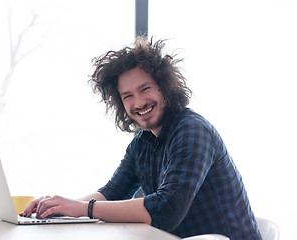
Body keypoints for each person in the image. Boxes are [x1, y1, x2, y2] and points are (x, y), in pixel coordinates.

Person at [21, 38, 262, 239]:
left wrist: (83, 209)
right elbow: (111, 193)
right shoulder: (142, 142)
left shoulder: (192, 130)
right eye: (127, 96)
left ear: (165, 87)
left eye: (145, 89)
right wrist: (59, 208)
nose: (138, 103)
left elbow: (167, 210)